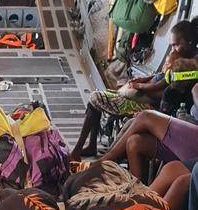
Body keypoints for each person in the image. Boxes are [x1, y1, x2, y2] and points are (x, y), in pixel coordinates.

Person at [70, 19, 198, 160]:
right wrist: (141, 81)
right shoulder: (179, 58)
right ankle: (92, 147)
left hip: (149, 103)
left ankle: (98, 156)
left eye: (176, 45)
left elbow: (165, 92)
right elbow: (160, 78)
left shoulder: (188, 68)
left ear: (189, 42)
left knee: (96, 98)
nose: (173, 49)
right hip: (141, 95)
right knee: (95, 101)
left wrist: (140, 88)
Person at [98, 106, 198, 210]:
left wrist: (141, 87)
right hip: (189, 120)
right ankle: (134, 202)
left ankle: (104, 161)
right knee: (135, 142)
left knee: (146, 117)